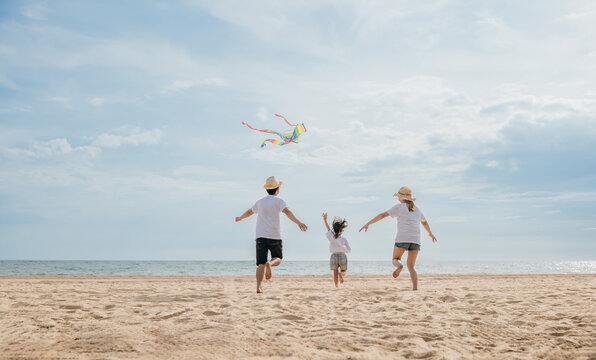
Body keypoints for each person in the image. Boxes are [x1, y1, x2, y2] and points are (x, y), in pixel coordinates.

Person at [235, 176, 308, 293]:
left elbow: (249, 211)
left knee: (260, 264)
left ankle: (258, 287)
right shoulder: (279, 201)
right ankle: (271, 263)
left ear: (267, 189)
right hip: (275, 236)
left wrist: (240, 218)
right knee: (278, 258)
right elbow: (288, 212)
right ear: (277, 189)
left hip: (260, 237)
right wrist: (299, 222)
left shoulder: (260, 202)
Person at [359, 186, 437, 290]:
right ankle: (415, 288)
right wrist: (430, 233)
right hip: (416, 239)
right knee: (411, 266)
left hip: (402, 238)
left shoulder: (399, 207)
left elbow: (383, 215)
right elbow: (424, 222)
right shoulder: (417, 209)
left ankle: (399, 266)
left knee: (395, 259)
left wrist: (368, 223)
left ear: (401, 197)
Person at [322, 213, 351, 288]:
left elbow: (328, 229)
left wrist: (325, 220)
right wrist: (346, 250)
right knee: (343, 271)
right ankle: (341, 274)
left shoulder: (331, 236)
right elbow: (349, 249)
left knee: (335, 274)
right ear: (341, 230)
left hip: (333, 256)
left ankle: (336, 287)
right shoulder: (344, 239)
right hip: (342, 255)